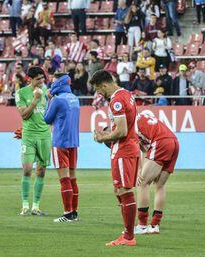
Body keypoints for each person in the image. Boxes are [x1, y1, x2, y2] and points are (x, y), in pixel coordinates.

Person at [91, 70, 139, 246]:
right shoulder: (126, 94)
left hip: (124, 150)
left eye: (98, 90)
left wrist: (102, 137)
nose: (99, 94)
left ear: (104, 85)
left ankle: (129, 236)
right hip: (127, 148)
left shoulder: (116, 100)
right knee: (119, 190)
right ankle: (127, 232)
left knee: (124, 191)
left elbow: (121, 131)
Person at [134, 110, 179, 235]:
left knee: (142, 183)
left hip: (160, 142)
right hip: (174, 141)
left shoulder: (130, 123)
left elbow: (135, 149)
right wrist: (142, 169)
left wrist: (139, 171)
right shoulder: (146, 119)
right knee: (160, 185)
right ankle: (155, 225)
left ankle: (142, 225)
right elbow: (145, 151)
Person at [43, 74, 80, 222]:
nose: (51, 85)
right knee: (72, 177)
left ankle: (67, 214)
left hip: (60, 142)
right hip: (73, 141)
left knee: (64, 179)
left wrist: (48, 100)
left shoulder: (57, 100)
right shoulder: (75, 98)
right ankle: (74, 213)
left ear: (58, 83)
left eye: (53, 82)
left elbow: (46, 119)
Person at [16, 66, 51, 215]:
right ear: (29, 79)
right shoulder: (21, 93)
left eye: (42, 78)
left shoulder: (47, 92)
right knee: (27, 169)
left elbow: (50, 113)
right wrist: (35, 100)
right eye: (38, 79)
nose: (41, 82)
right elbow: (24, 115)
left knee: (41, 171)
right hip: (29, 135)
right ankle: (25, 205)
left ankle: (36, 206)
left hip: (44, 136)